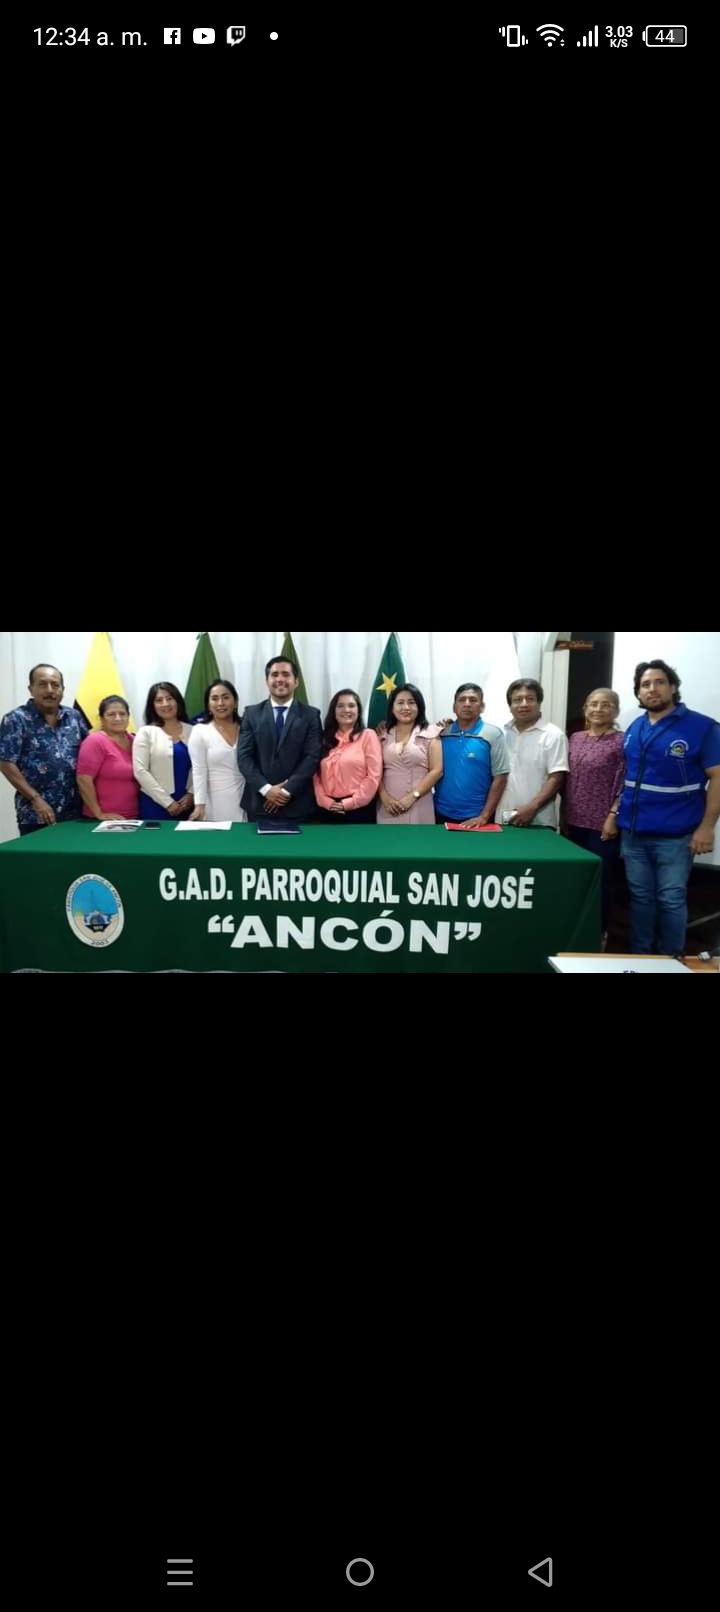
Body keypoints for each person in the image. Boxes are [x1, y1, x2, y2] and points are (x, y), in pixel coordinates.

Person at [617, 659, 720, 955]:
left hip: (676, 835)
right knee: (641, 898)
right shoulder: (635, 727)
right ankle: (640, 957)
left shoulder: (703, 728)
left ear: (673, 687)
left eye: (659, 682)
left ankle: (671, 958)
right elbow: (629, 779)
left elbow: (717, 777)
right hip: (634, 833)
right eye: (645, 685)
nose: (652, 689)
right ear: (638, 692)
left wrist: (707, 828)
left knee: (670, 899)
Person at [564, 690, 626, 945]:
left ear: (615, 710)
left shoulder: (621, 741)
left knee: (601, 880)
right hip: (573, 820)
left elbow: (625, 782)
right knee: (576, 879)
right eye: (593, 704)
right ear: (585, 708)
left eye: (606, 705)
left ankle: (599, 933)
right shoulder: (576, 738)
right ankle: (575, 929)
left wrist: (613, 815)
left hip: (602, 823)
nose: (599, 709)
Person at [0, 664, 89, 836]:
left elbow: (90, 753)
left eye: (55, 685)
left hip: (76, 811)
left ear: (62, 690)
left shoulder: (74, 717)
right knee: (38, 854)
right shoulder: (16, 719)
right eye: (42, 684)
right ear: (31, 689)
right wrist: (35, 799)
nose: (50, 690)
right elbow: (5, 763)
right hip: (37, 813)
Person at [237, 657, 323, 823]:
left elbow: (312, 757)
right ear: (267, 681)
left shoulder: (311, 715)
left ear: (296, 681)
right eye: (275, 675)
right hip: (260, 803)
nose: (280, 679)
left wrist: (286, 791)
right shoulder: (251, 714)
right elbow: (244, 757)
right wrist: (266, 789)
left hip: (298, 804)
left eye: (286, 674)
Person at [434, 683, 510, 827]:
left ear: (482, 707)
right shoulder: (441, 733)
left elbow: (500, 778)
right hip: (440, 812)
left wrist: (484, 816)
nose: (467, 704)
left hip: (478, 817)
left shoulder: (493, 734)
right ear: (454, 707)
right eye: (462, 700)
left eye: (473, 700)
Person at [497, 679, 569, 828]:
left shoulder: (554, 735)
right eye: (517, 700)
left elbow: (556, 778)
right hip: (502, 817)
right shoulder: (502, 733)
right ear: (510, 705)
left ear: (539, 703)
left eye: (530, 699)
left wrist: (532, 807)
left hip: (538, 820)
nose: (523, 704)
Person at [377, 685, 443, 824]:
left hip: (419, 803)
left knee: (418, 838)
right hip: (388, 806)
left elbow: (437, 771)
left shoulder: (431, 733)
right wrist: (384, 797)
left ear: (419, 707)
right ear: (392, 708)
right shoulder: (382, 734)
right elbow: (374, 771)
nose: (406, 707)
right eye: (400, 703)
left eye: (411, 702)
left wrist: (413, 797)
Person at [314, 690, 383, 824]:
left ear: (358, 710)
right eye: (340, 706)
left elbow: (374, 776)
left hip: (359, 810)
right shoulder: (324, 738)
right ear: (333, 711)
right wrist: (324, 801)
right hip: (327, 809)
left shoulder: (368, 735)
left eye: (351, 706)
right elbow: (316, 776)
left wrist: (350, 802)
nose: (346, 710)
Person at [133, 682, 195, 821]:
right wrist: (168, 803)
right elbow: (140, 771)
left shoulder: (193, 731)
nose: (165, 704)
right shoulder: (145, 732)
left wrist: (192, 794)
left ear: (178, 701)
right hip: (154, 804)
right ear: (152, 705)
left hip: (187, 804)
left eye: (169, 698)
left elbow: (200, 767)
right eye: (159, 700)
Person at [189, 680, 246, 823]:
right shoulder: (200, 731)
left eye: (225, 697)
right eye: (214, 698)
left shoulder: (247, 727)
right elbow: (199, 770)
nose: (220, 703)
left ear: (235, 702)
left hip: (248, 800)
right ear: (208, 705)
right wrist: (199, 805)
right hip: (215, 801)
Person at [77, 697, 139, 822]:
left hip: (136, 817)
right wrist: (98, 813)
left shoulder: (136, 741)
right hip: (103, 820)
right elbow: (83, 780)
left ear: (128, 717)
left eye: (122, 714)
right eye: (111, 714)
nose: (118, 718)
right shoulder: (95, 741)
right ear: (101, 718)